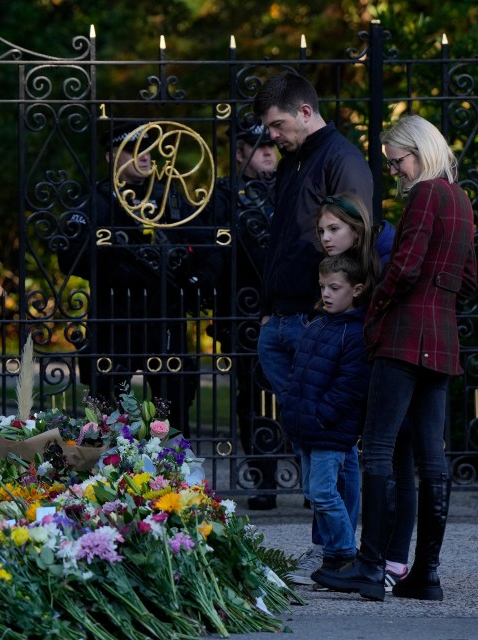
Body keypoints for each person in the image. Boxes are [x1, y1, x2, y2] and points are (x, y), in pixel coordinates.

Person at [313, 114, 478, 601]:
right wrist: (438, 295)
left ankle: (368, 568)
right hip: (442, 337)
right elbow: (468, 279)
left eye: (397, 161)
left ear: (419, 151)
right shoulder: (462, 200)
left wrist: (377, 308)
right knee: (432, 457)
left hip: (404, 335)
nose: (395, 172)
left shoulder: (426, 195)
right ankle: (425, 575)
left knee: (379, 448)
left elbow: (403, 268)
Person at [252, 71, 374, 580]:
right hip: (280, 321)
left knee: (331, 443)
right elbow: (287, 237)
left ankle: (336, 552)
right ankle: (332, 548)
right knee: (311, 436)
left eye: (278, 124)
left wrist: (326, 313)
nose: (271, 136)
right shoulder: (297, 159)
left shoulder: (342, 160)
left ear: (305, 111)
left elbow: (351, 243)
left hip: (315, 322)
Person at [57, 120, 203, 437]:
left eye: (150, 149)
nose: (146, 156)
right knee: (110, 403)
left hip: (163, 315)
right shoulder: (97, 202)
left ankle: (177, 473)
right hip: (115, 316)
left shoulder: (171, 199)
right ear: (112, 157)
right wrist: (117, 262)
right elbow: (68, 256)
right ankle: (115, 473)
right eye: (135, 149)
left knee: (173, 400)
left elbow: (199, 246)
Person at [315, 193, 414, 592]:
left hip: (398, 359)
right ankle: (367, 558)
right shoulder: (346, 263)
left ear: (356, 229)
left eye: (334, 229)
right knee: (379, 457)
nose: (325, 237)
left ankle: (394, 561)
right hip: (377, 360)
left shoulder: (383, 250)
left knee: (399, 460)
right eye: (321, 229)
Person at [281, 253, 371, 577]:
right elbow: (297, 374)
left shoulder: (354, 334)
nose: (326, 294)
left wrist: (320, 417)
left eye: (334, 287)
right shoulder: (316, 325)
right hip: (306, 427)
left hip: (329, 430)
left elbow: (349, 388)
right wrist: (291, 413)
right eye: (323, 287)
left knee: (323, 492)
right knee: (313, 494)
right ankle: (333, 554)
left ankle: (345, 553)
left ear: (356, 289)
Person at [208, 121, 279, 510]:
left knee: (296, 392)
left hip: (290, 306)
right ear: (240, 153)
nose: (268, 151)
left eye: (271, 144)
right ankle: (264, 477)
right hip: (242, 310)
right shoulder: (224, 194)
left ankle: (305, 479)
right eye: (258, 145)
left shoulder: (289, 184)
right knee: (252, 395)